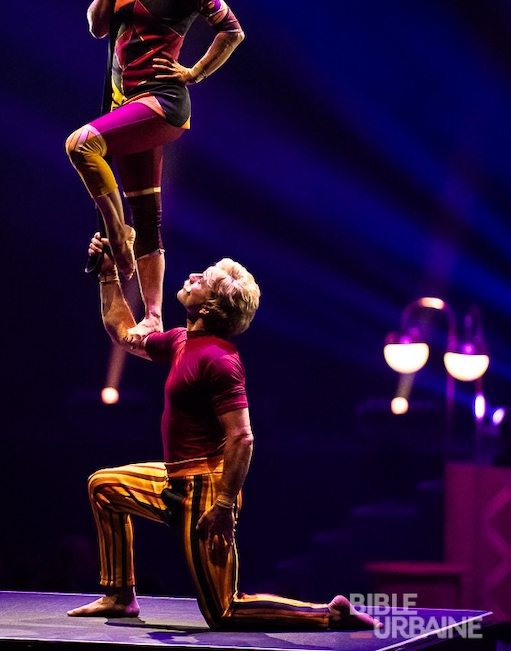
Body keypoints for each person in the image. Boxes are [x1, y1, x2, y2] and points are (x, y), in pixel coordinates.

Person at [66, 234, 381, 631]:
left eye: (205, 279)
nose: (194, 274)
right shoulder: (182, 341)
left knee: (223, 611)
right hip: (175, 478)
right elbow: (123, 334)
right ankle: (120, 596)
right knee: (104, 487)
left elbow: (243, 437)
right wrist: (108, 274)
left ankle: (327, 614)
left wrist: (224, 505)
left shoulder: (220, 360)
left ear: (211, 305)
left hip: (207, 490)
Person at [65, 0, 245, 341]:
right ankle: (153, 317)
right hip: (128, 103)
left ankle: (117, 237)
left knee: (83, 144)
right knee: (149, 216)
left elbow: (231, 30)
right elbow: (97, 26)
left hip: (161, 103)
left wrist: (195, 72)